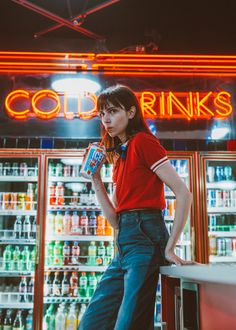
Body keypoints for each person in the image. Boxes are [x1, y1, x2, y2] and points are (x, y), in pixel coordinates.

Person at [78, 85, 192, 330]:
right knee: (92, 323)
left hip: (145, 236)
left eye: (113, 111)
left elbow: (184, 193)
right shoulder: (120, 156)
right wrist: (95, 178)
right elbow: (115, 220)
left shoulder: (143, 142)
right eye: (101, 113)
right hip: (125, 241)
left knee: (129, 324)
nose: (106, 119)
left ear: (131, 112)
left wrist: (170, 247)